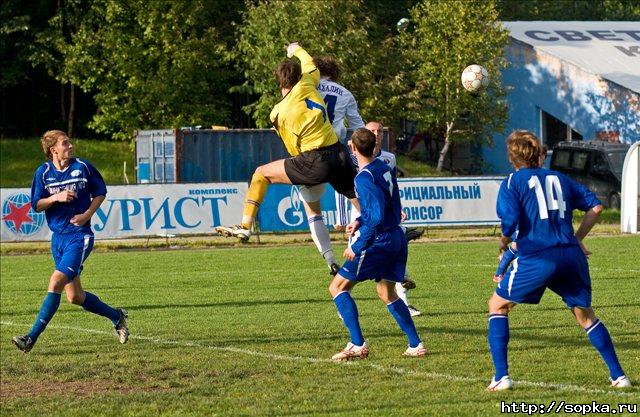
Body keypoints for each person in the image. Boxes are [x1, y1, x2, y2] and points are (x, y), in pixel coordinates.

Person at [486, 130, 630, 391]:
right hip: (571, 257)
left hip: (538, 256)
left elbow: (509, 221)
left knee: (497, 305)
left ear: (512, 157)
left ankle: (501, 377)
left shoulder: (512, 182)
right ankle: (619, 376)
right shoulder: (559, 177)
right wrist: (577, 238)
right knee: (586, 316)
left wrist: (503, 242)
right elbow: (596, 207)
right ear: (537, 153)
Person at [215, 43, 358, 276]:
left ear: (279, 83)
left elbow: (292, 146)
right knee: (361, 202)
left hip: (312, 162)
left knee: (262, 174)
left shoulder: (277, 112)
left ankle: (245, 226)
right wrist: (296, 49)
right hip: (338, 153)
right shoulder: (308, 82)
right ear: (299, 75)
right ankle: (391, 231)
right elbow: (310, 63)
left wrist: (302, 168)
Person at [12, 130, 129, 353]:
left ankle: (30, 338)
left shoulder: (82, 167)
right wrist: (56, 197)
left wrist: (86, 215)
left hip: (80, 235)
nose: (71, 146)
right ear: (53, 149)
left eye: (69, 142)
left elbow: (101, 192)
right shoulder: (43, 172)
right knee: (75, 297)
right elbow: (36, 205)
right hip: (58, 239)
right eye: (65, 143)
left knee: (55, 281)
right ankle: (117, 316)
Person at [329, 128, 426, 361]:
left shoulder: (363, 178)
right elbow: (386, 205)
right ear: (374, 146)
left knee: (337, 287)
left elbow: (377, 216)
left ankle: (357, 344)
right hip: (396, 238)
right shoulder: (384, 167)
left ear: (352, 148)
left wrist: (358, 245)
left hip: (380, 240)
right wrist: (359, 220)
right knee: (386, 292)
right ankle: (415, 344)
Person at [349, 121, 423, 317]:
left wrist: (396, 210)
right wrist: (354, 218)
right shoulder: (354, 161)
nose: (376, 134)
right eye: (372, 131)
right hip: (365, 217)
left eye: (379, 131)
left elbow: (392, 191)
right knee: (382, 286)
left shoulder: (387, 159)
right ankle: (415, 343)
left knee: (342, 281)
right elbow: (345, 190)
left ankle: (347, 311)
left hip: (376, 224)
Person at [313, 54, 366, 230]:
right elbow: (358, 126)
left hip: (310, 145)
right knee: (347, 182)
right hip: (335, 145)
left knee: (310, 198)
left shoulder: (308, 87)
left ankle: (340, 222)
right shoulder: (345, 93)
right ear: (334, 72)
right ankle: (374, 221)